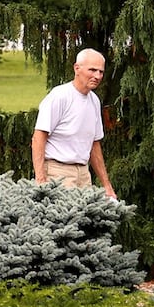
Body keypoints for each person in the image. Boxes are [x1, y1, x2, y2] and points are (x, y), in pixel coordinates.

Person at [32, 48, 116, 198]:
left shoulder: (94, 101)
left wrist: (106, 186)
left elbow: (94, 145)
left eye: (101, 72)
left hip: (84, 174)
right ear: (77, 68)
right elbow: (39, 137)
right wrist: (40, 179)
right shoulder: (60, 96)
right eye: (92, 70)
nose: (97, 76)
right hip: (58, 173)